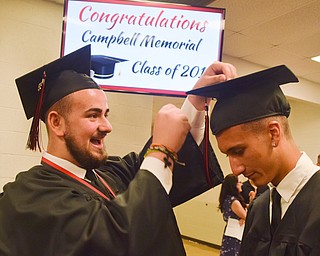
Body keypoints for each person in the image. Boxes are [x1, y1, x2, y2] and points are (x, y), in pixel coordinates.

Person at [0, 45, 236, 255]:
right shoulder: (27, 199)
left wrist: (195, 100)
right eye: (93, 115)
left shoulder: (105, 173)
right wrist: (161, 149)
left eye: (106, 114)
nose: (107, 126)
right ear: (56, 123)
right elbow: (109, 239)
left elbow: (146, 170)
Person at [187, 65, 320, 255]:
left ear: (273, 133)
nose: (235, 169)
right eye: (228, 155)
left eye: (239, 151)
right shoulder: (259, 208)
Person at [218, 174, 247, 256]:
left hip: (231, 232)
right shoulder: (233, 201)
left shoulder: (228, 198)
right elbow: (247, 216)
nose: (242, 184)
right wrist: (244, 218)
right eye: (239, 182)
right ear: (234, 185)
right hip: (235, 234)